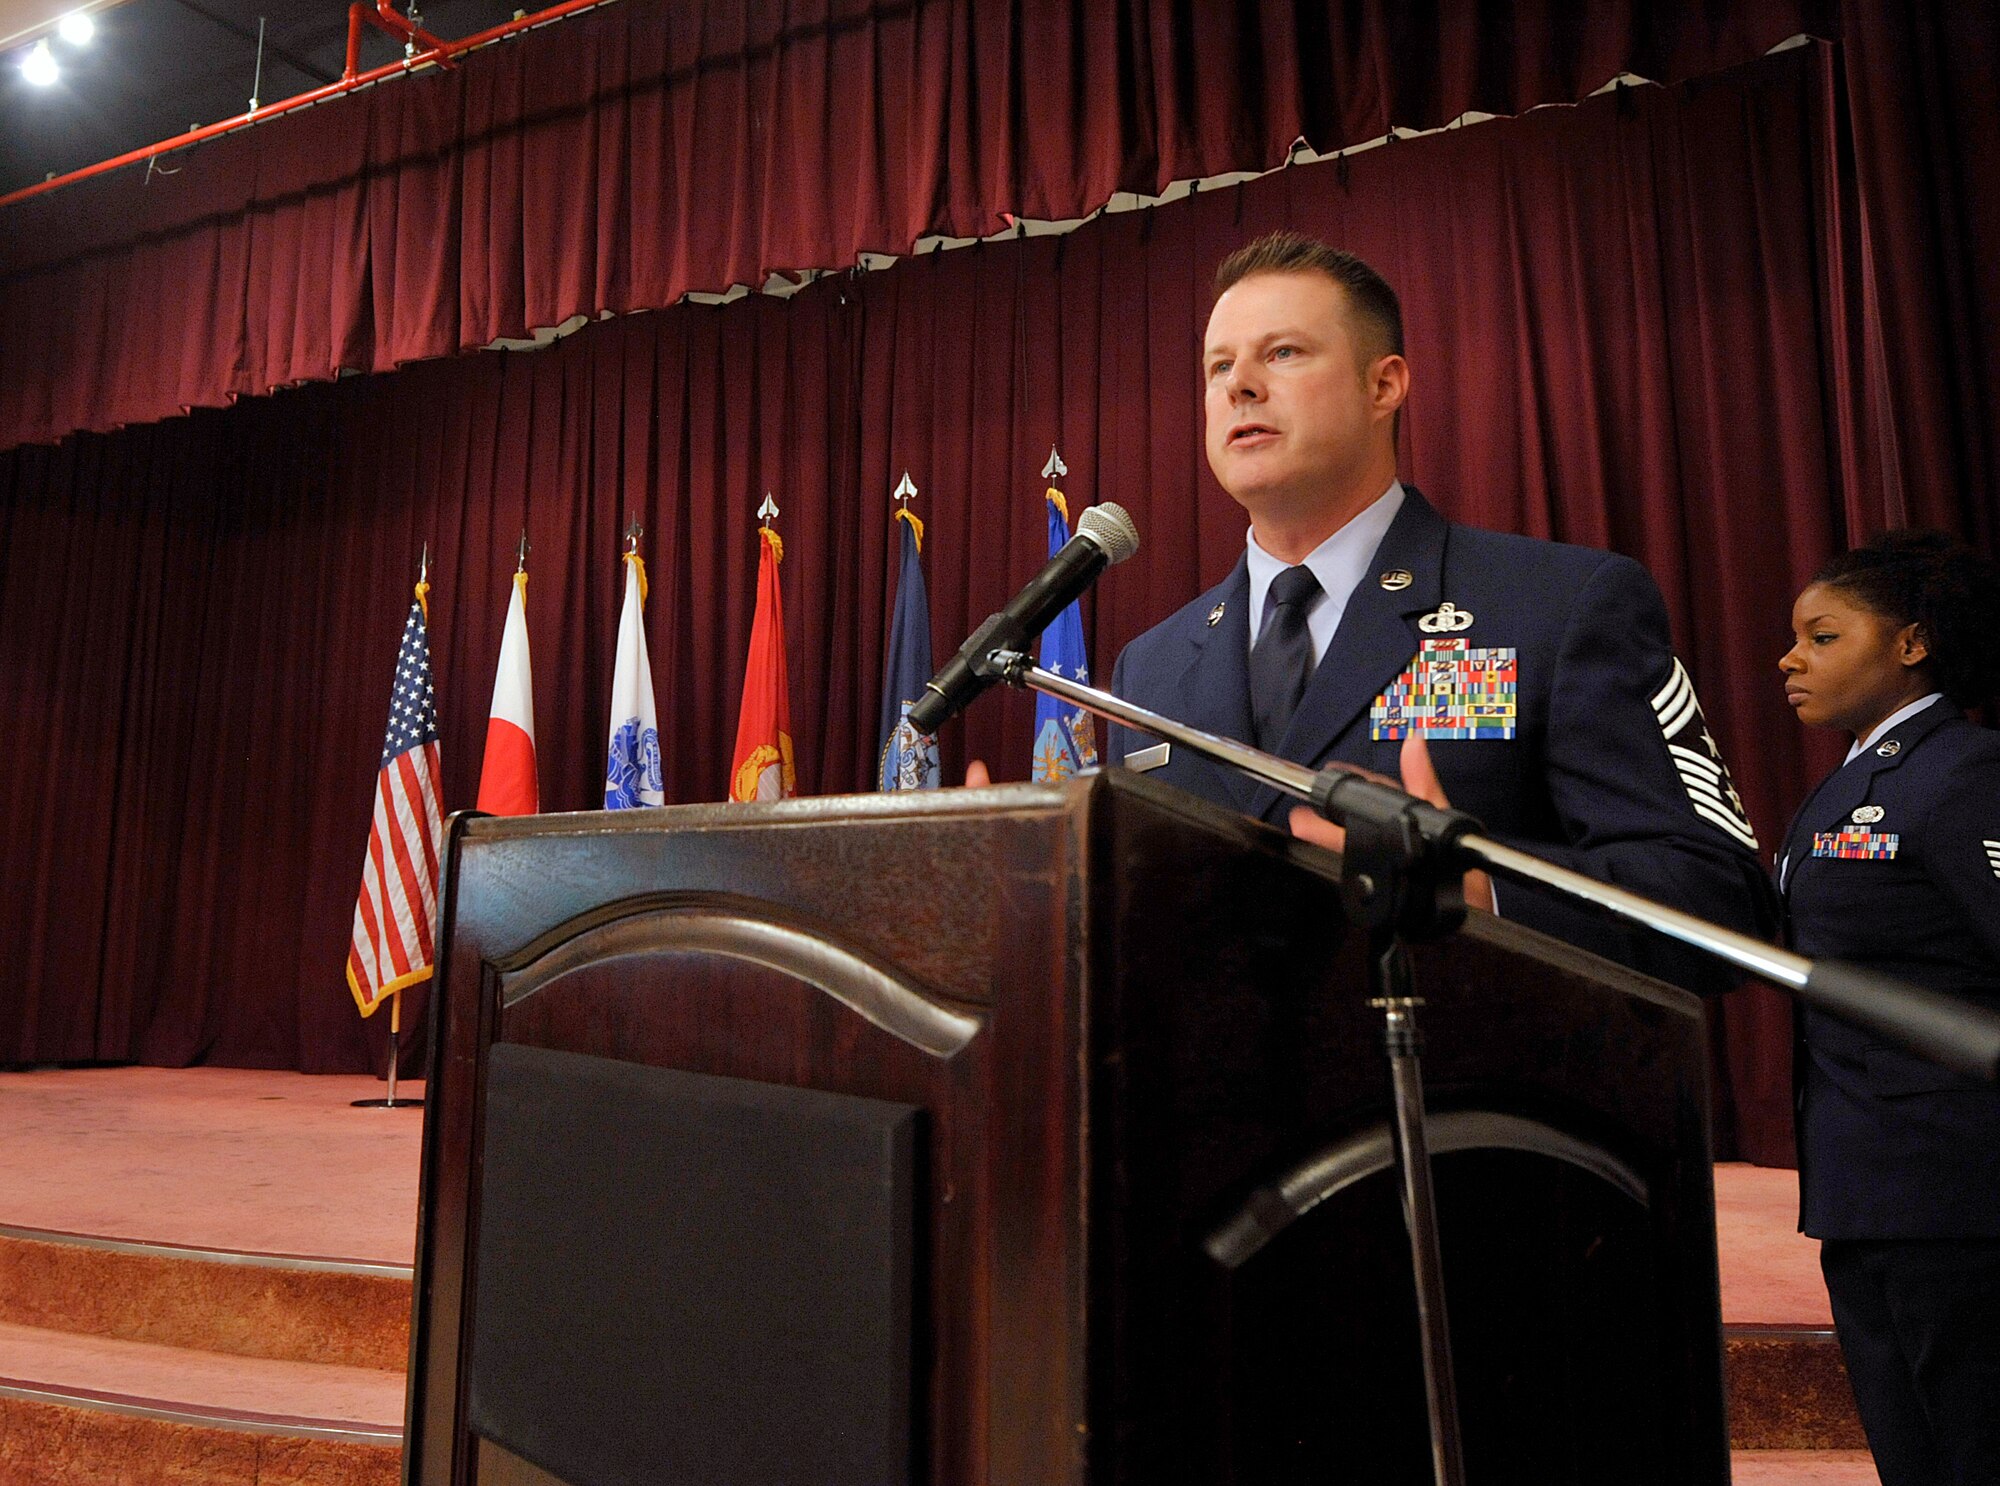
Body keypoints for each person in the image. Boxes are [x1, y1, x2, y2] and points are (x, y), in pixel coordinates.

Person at [1105, 229, 1775, 977]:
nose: (1240, 385)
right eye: (1218, 366)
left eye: (1283, 353)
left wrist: (1484, 892)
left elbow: (1720, 900)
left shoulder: (1559, 605)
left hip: (1462, 1082)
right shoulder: (1153, 667)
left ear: (1384, 385)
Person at [1775, 529, 2000, 1486]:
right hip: (1867, 1187)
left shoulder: (1965, 771)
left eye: (1823, 636)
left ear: (1911, 643)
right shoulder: (1856, 779)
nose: (1790, 658)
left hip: (1957, 1192)